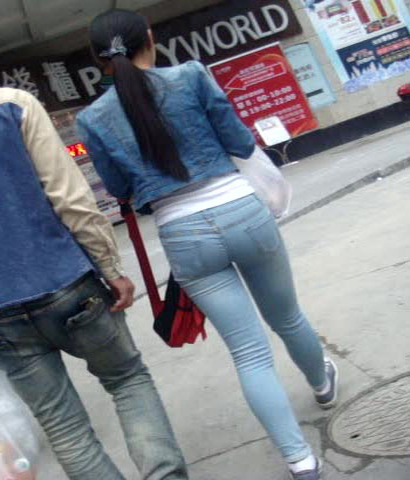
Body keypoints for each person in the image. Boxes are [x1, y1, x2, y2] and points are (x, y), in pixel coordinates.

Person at [77, 9, 339, 480]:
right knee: (286, 317)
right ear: (150, 38)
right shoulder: (191, 75)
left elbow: (119, 188)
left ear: (100, 60)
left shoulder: (92, 119)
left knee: (248, 353)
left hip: (183, 235)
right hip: (242, 210)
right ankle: (322, 384)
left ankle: (300, 461)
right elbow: (238, 141)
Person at [0, 87, 189, 480]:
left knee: (63, 426)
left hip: (4, 316)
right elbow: (70, 198)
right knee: (127, 380)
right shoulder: (13, 105)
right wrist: (109, 266)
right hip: (66, 280)